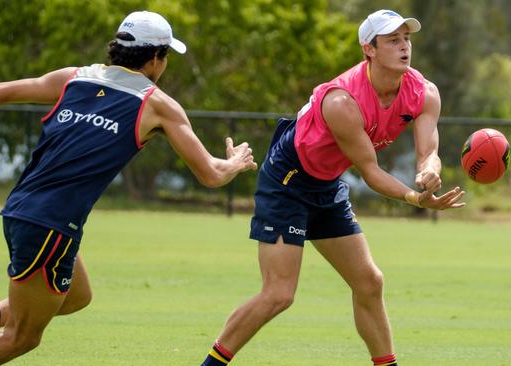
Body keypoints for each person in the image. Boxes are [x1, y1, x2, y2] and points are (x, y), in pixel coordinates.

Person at [0, 10, 258, 366]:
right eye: (165, 57)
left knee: (75, 296)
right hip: (50, 224)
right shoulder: (158, 105)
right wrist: (236, 162)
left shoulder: (74, 77)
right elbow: (211, 175)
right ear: (155, 57)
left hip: (23, 210)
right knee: (21, 337)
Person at [200, 9, 466, 366]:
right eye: (393, 40)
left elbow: (428, 152)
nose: (404, 47)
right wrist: (415, 197)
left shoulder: (424, 92)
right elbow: (370, 171)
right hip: (288, 180)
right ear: (368, 49)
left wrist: (429, 172)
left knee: (370, 281)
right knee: (279, 294)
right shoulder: (342, 101)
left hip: (326, 182)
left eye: (407, 39)